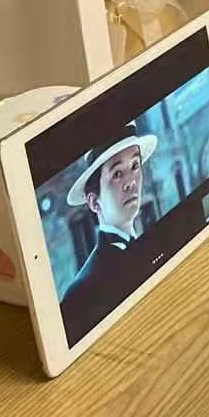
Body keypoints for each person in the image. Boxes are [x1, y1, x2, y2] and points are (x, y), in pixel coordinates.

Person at [60, 122, 157, 336]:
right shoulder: (81, 293)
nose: (131, 182)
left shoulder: (154, 247)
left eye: (135, 166)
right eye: (117, 174)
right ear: (95, 202)